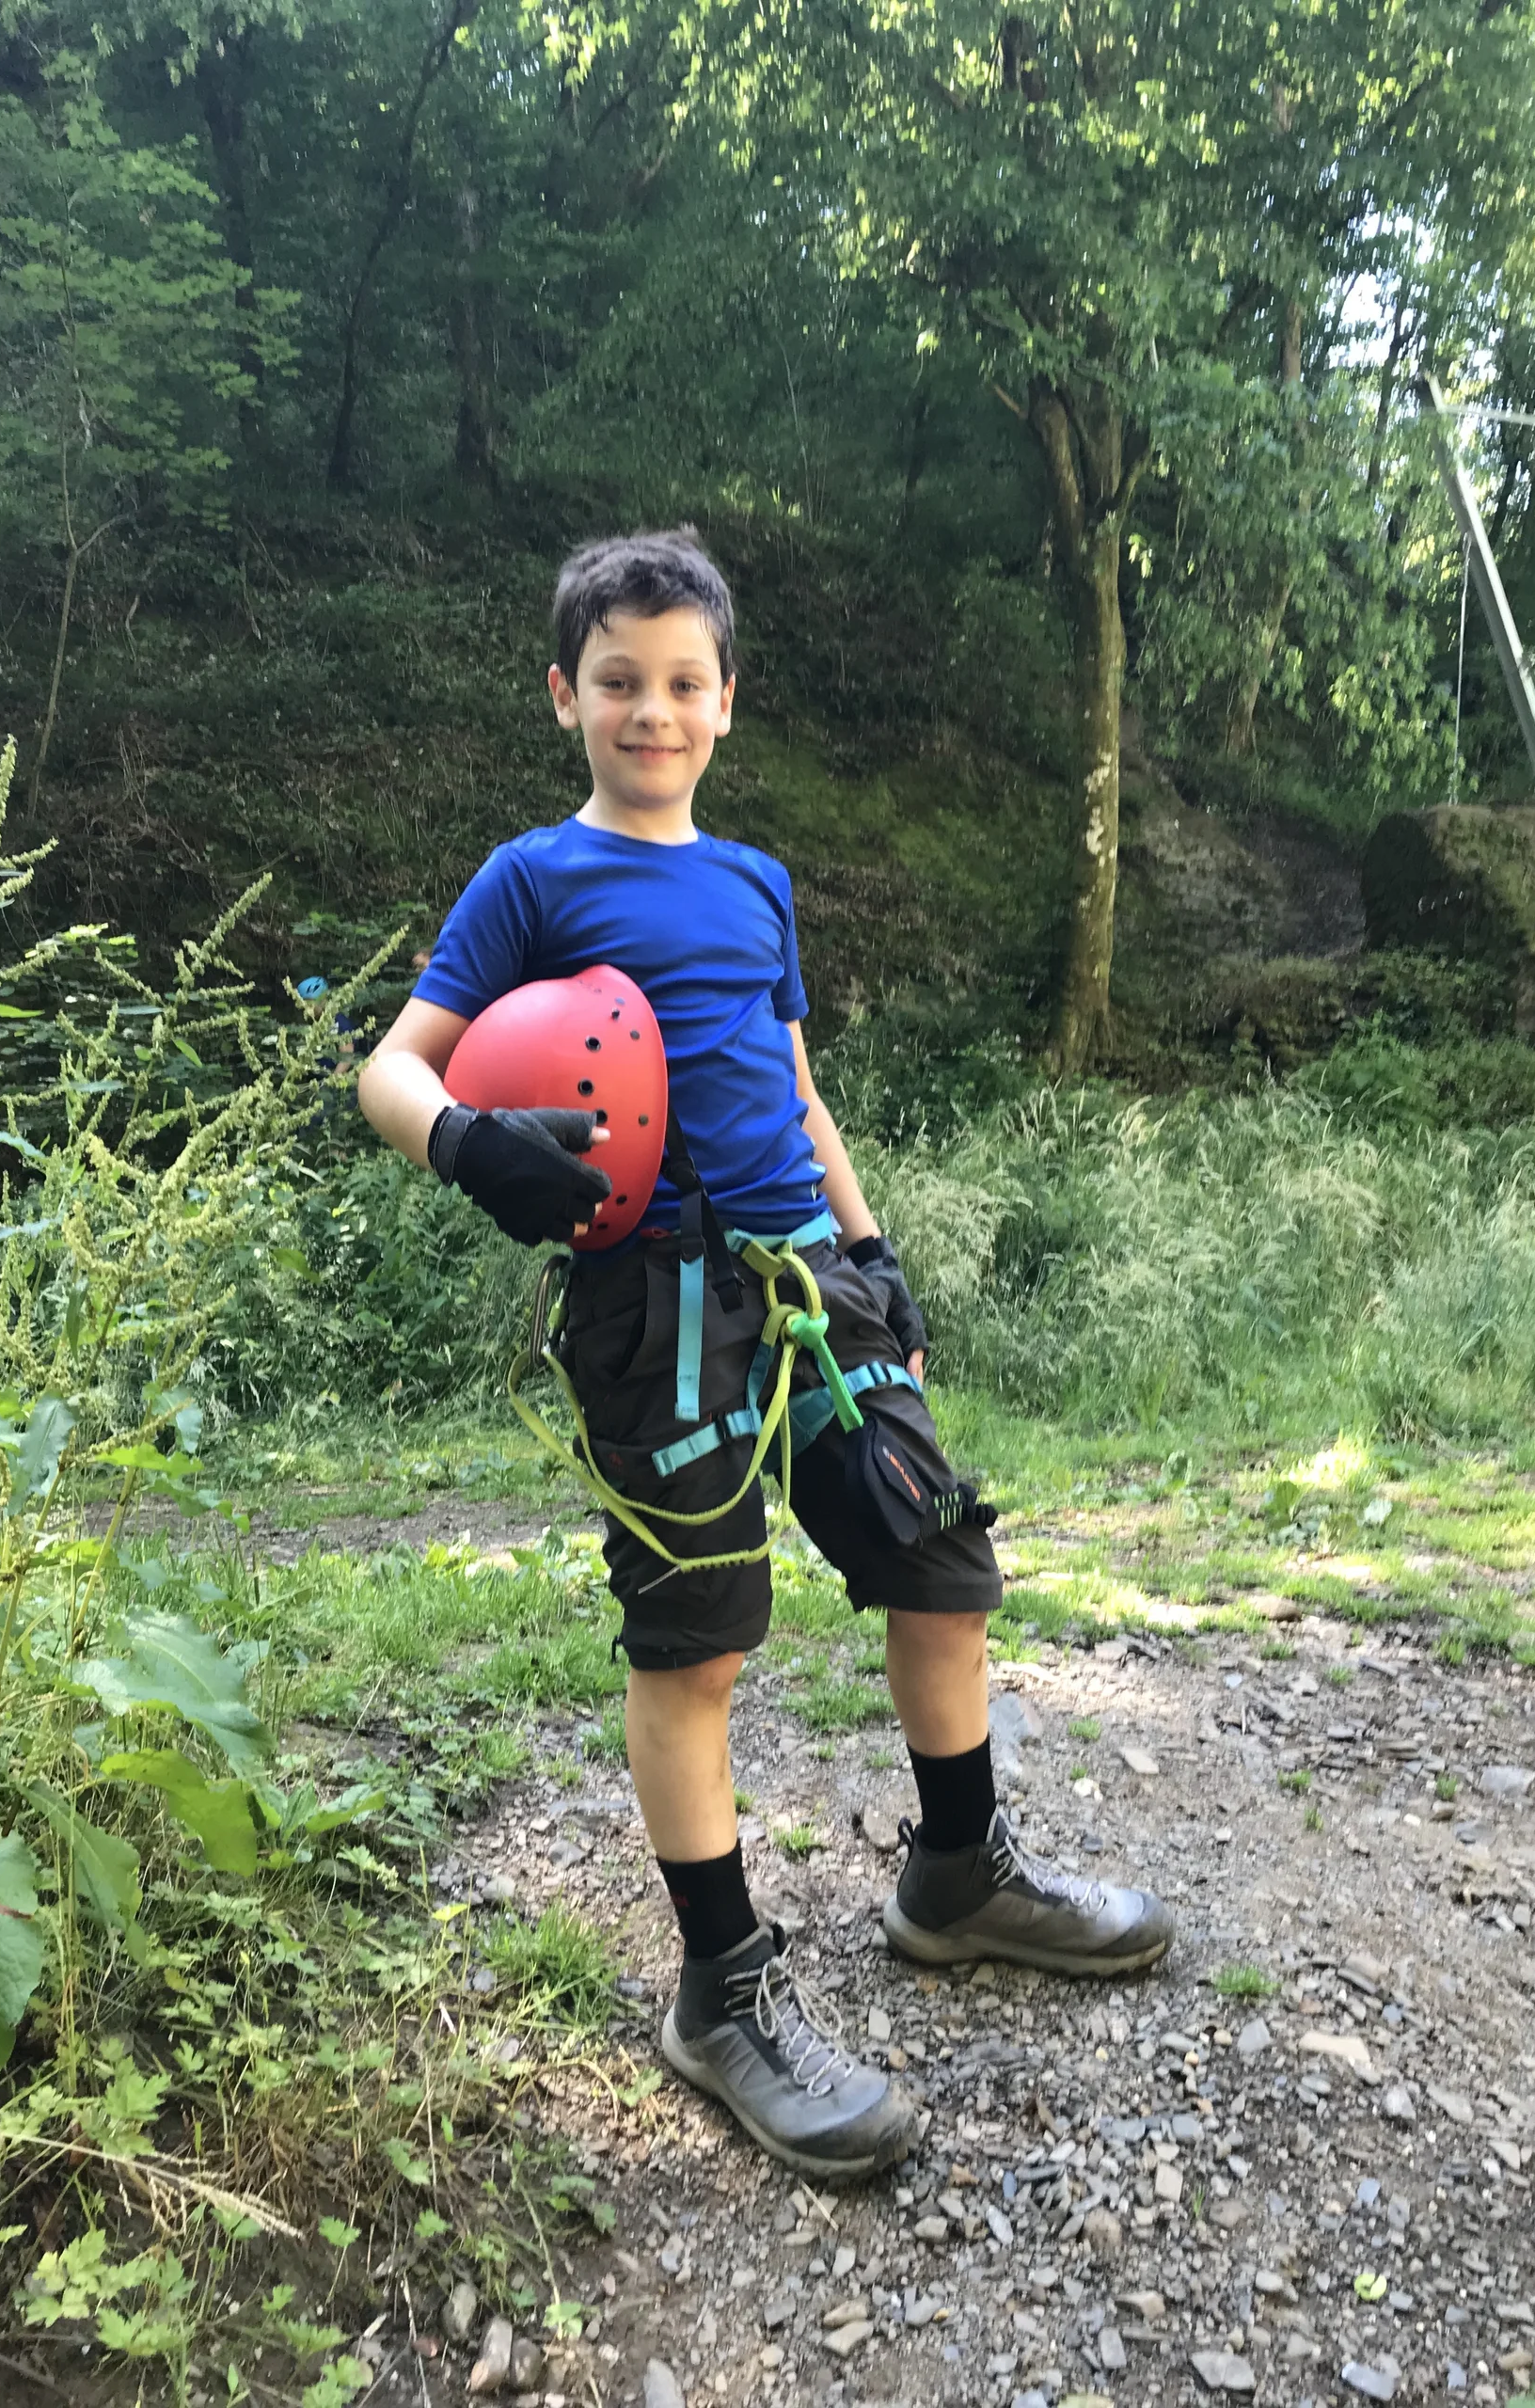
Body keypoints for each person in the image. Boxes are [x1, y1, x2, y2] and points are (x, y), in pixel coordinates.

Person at [356, 530, 1172, 2180]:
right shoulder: (529, 879)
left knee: (941, 1569)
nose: (650, 711)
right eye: (617, 684)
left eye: (681, 683)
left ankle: (960, 1879)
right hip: (649, 1307)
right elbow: (393, 1068)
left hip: (815, 1282)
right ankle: (722, 1995)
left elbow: (793, 1088)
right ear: (566, 697)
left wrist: (871, 1252)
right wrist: (465, 1144)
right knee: (700, 1646)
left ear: (725, 701)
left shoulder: (756, 884)